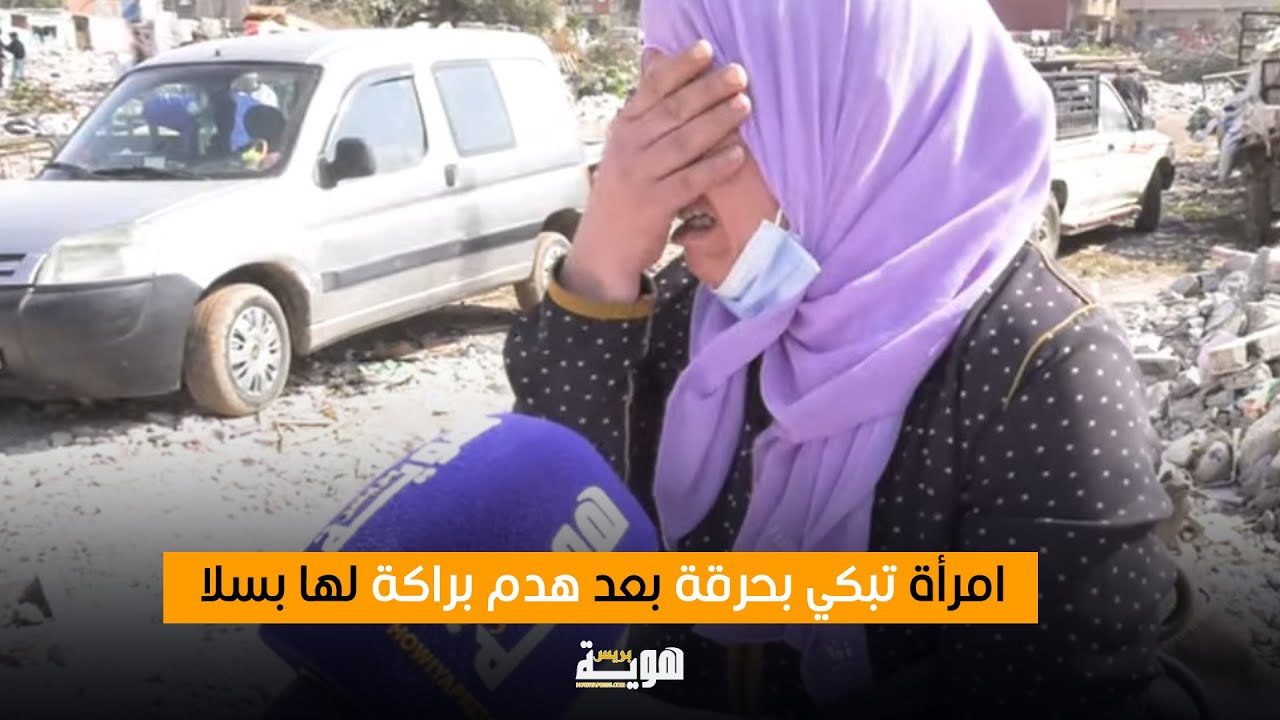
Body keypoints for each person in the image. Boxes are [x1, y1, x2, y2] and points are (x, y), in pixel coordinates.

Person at [505, 1, 1185, 717]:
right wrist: (602, 263)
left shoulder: (1039, 366)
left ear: (844, 109)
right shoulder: (689, 320)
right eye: (649, 117)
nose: (662, 166)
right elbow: (565, 602)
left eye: (694, 115)